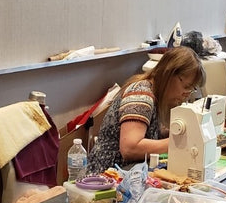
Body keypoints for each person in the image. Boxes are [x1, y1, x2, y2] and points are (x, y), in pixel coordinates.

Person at [86, 46, 205, 175]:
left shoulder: (155, 94)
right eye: (186, 87)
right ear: (169, 75)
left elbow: (149, 132)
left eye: (191, 89)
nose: (186, 94)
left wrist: (179, 133)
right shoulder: (141, 95)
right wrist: (179, 143)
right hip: (106, 178)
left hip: (126, 175)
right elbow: (130, 148)